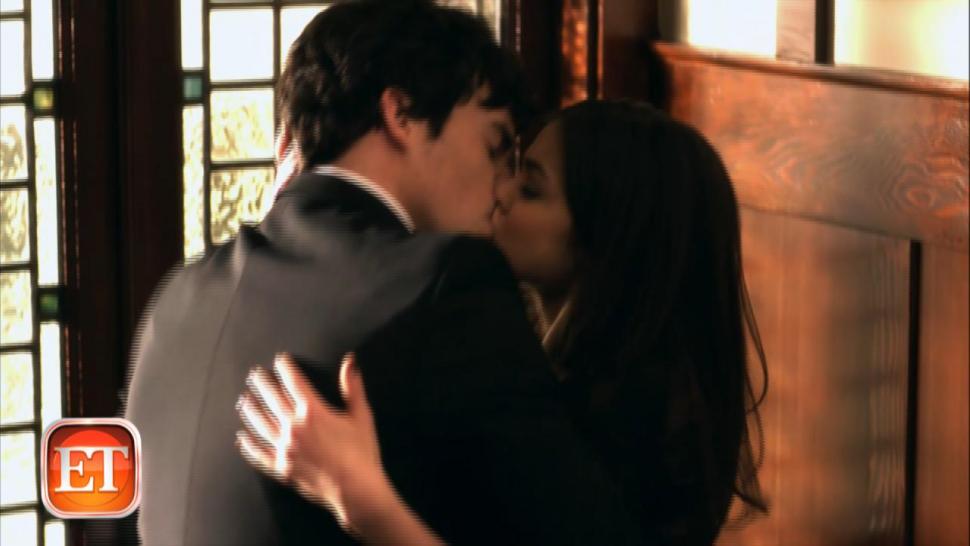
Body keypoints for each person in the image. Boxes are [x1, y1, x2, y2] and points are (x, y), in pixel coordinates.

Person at [124, 1, 640, 544]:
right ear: (402, 114)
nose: (504, 187)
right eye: (495, 147)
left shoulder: (179, 295)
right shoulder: (447, 283)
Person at [237, 100, 770, 545]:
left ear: (606, 240)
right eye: (510, 169)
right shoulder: (519, 345)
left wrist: (358, 497)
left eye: (531, 190)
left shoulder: (642, 423)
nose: (501, 193)